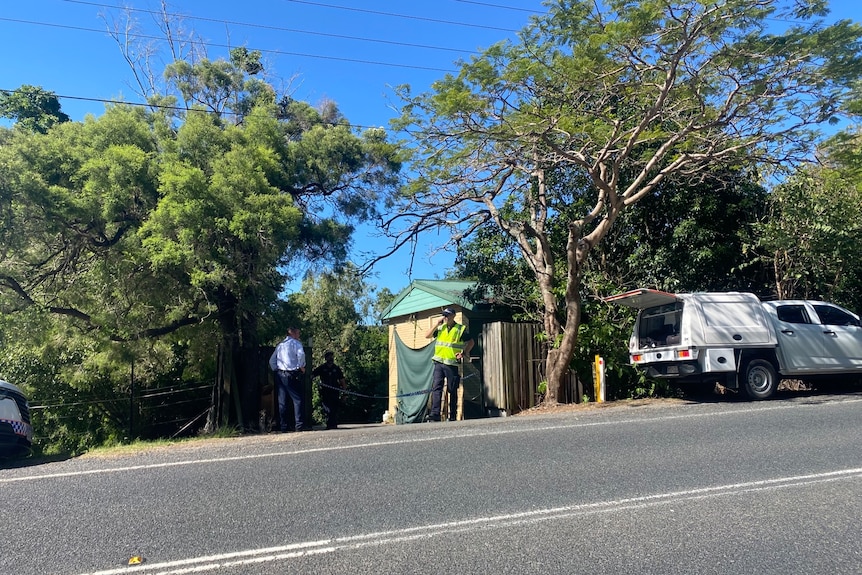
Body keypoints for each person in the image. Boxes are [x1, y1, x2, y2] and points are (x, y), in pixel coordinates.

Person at [424, 307, 474, 422]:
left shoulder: (459, 329)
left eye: (447, 315)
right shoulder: (440, 328)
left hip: (451, 364)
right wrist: (436, 324)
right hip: (438, 362)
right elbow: (427, 335)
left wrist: (464, 353)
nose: (445, 317)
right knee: (437, 388)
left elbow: (471, 342)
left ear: (453, 316)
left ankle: (452, 415)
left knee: (452, 389)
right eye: (444, 315)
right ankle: (435, 414)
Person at [268, 327, 310, 432]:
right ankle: (299, 425)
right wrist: (302, 366)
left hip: (280, 374)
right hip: (292, 374)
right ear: (292, 333)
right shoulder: (296, 344)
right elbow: (301, 355)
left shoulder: (280, 345)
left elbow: (272, 360)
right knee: (297, 400)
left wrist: (277, 370)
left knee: (282, 401)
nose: (299, 335)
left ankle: (283, 426)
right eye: (298, 332)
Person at [312, 351, 347, 430]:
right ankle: (329, 424)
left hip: (335, 391)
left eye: (332, 357)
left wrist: (344, 394)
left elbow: (342, 381)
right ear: (325, 358)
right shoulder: (322, 368)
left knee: (334, 408)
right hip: (325, 392)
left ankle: (333, 425)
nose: (330, 358)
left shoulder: (336, 368)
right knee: (327, 409)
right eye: (329, 357)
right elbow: (312, 375)